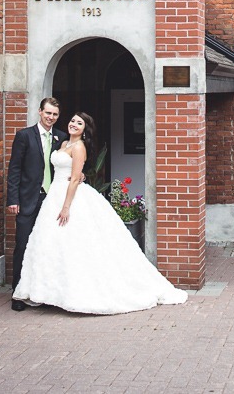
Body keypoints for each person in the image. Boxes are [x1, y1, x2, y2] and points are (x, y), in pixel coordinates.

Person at [13, 111, 187, 315]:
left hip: (69, 197)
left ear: (85, 129)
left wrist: (67, 206)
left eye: (79, 123)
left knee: (77, 244)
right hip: (55, 195)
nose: (74, 125)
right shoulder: (62, 143)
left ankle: (78, 291)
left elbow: (76, 178)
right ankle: (51, 292)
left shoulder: (78, 147)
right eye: (72, 121)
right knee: (53, 244)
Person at [7, 96, 68, 311]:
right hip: (27, 199)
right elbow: (14, 169)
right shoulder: (24, 136)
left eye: (55, 114)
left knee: (48, 246)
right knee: (23, 245)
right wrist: (13, 199)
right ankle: (17, 294)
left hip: (52, 200)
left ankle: (44, 293)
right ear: (40, 112)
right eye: (48, 113)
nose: (51, 117)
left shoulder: (62, 138)